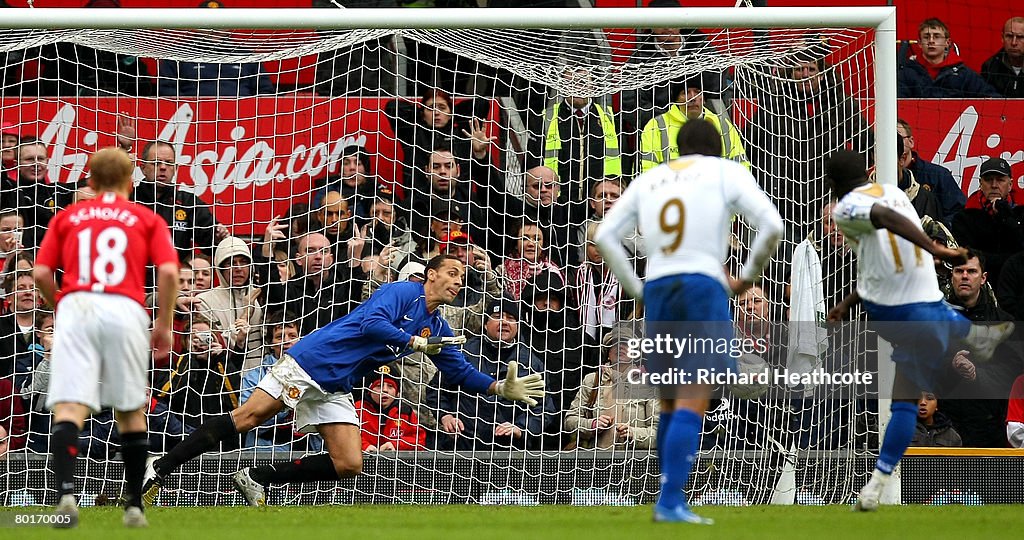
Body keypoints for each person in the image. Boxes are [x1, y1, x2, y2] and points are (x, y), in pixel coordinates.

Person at [141, 254, 544, 507]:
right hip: (312, 362)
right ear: (431, 274)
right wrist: (413, 344)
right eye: (452, 272)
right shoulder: (403, 292)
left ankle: (258, 476)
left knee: (349, 463)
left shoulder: (435, 323)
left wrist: (497, 387)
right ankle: (160, 465)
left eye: (462, 277)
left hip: (336, 383)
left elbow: (457, 369)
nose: (458, 280)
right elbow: (372, 322)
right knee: (247, 418)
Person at [595, 119, 784, 523]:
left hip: (660, 289)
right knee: (693, 397)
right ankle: (671, 502)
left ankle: (665, 496)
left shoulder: (652, 177)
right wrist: (748, 276)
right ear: (717, 149)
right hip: (703, 287)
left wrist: (636, 286)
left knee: (667, 402)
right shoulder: (725, 172)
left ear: (678, 148)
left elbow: (605, 235)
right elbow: (772, 225)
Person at [822, 149, 1013, 512]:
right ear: (867, 171)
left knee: (905, 403)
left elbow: (881, 226)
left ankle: (875, 485)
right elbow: (884, 227)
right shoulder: (892, 192)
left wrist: (934, 247)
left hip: (894, 309)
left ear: (832, 185)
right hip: (918, 303)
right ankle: (971, 333)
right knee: (935, 328)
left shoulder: (845, 209)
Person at [32, 147, 179, 528]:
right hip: (124, 307)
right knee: (130, 409)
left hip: (79, 304)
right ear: (132, 181)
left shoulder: (70, 215)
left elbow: (41, 272)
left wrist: (60, 303)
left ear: (91, 182)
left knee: (69, 407)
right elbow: (166, 271)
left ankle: (65, 495)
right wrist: (163, 323)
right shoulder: (144, 217)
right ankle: (133, 505)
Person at [564, 328, 659, 450]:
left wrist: (633, 433)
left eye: (627, 344)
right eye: (614, 344)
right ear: (608, 354)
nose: (620, 347)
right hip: (593, 462)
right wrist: (592, 425)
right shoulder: (592, 381)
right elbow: (569, 421)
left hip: (634, 465)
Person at [638, 78, 748, 174]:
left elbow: (742, 166)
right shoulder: (656, 126)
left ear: (704, 98)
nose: (692, 98)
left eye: (697, 92)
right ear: (676, 100)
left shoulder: (723, 125)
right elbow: (647, 172)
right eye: (686, 92)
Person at [951, 157, 1024, 288]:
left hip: (1017, 285)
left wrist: (1007, 217)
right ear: (980, 183)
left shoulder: (1020, 213)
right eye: (989, 180)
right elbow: (970, 257)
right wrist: (1010, 259)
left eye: (1000, 180)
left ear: (1010, 184)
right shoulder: (964, 217)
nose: (994, 185)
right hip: (979, 286)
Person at [897, 18, 1000, 98]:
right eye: (926, 37)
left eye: (937, 36)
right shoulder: (906, 73)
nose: (931, 41)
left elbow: (992, 99)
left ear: (948, 43)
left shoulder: (964, 74)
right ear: (919, 43)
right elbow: (899, 105)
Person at [897, 118, 964, 224]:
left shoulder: (939, 175)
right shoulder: (874, 180)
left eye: (897, 137)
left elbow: (957, 213)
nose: (891, 142)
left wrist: (938, 232)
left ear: (911, 142)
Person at [355, 365, 426, 452]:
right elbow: (346, 435)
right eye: (378, 385)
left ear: (397, 393)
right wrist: (364, 445)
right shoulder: (358, 409)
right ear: (369, 391)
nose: (385, 390)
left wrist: (395, 444)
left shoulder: (405, 411)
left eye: (390, 386)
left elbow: (419, 440)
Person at [981, 17, 1024, 98]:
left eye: (1020, 37)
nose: (1014, 43)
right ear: (1002, 38)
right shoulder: (990, 67)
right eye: (1009, 36)